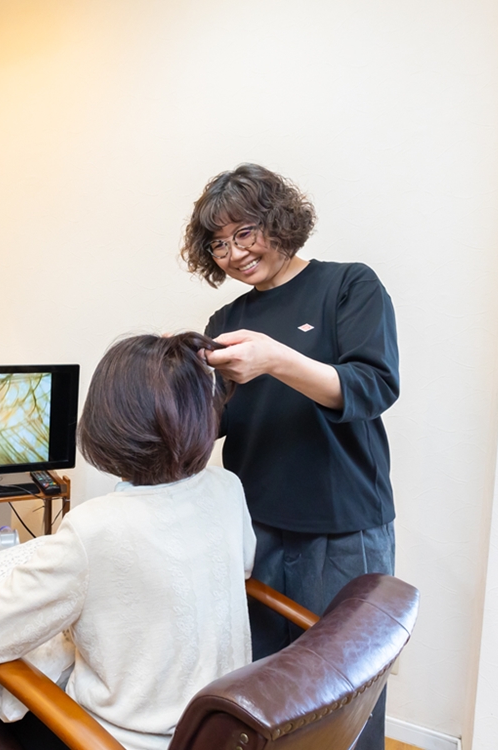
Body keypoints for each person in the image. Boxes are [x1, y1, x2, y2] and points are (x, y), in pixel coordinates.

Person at [181, 163, 399, 750]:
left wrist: (276, 359)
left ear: (278, 221)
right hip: (254, 527)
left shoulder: (349, 285)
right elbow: (215, 421)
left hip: (342, 523)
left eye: (244, 232)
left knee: (344, 690)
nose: (233, 252)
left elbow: (371, 387)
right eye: (218, 243)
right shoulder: (226, 322)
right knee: (263, 686)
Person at [0, 332, 256, 750]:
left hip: (120, 740)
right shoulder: (226, 487)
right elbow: (240, 568)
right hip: (220, 730)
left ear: (106, 422)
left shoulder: (93, 528)